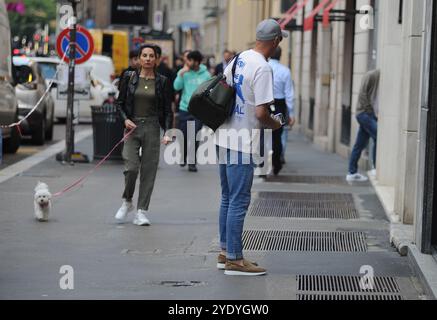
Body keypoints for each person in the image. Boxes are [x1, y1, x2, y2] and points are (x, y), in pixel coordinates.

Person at [214, 19, 286, 276]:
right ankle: (234, 259)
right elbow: (260, 113)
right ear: (276, 41)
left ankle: (225, 251)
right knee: (239, 200)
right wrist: (276, 125)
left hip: (223, 136)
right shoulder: (263, 68)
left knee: (226, 197)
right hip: (242, 141)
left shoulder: (239, 58)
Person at [115, 44, 173, 226]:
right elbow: (120, 104)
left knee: (149, 171)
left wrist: (168, 132)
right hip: (132, 128)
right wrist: (125, 120)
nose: (148, 58)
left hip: (152, 127)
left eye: (151, 56)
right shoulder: (128, 77)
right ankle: (127, 201)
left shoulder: (162, 81)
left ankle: (141, 211)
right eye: (144, 55)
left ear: (156, 59)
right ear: (139, 59)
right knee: (131, 168)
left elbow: (167, 110)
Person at [173, 50, 211, 172]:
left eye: (189, 60)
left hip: (198, 111)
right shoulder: (183, 72)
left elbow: (210, 90)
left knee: (194, 136)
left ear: (196, 62)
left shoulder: (206, 75)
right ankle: (183, 155)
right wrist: (181, 74)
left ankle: (192, 162)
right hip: (184, 109)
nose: (187, 62)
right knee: (183, 135)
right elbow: (176, 87)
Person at [347, 69, 380, 182]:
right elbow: (362, 94)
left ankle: (352, 172)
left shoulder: (378, 77)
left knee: (359, 144)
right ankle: (376, 168)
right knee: (379, 136)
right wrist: (369, 111)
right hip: (364, 113)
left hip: (367, 114)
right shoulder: (371, 75)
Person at [268, 46, 295, 175]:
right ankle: (276, 164)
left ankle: (262, 164)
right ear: (280, 55)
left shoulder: (264, 67)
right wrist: (291, 113)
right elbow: (289, 94)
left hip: (265, 104)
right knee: (277, 135)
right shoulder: (285, 71)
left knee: (262, 134)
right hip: (279, 106)